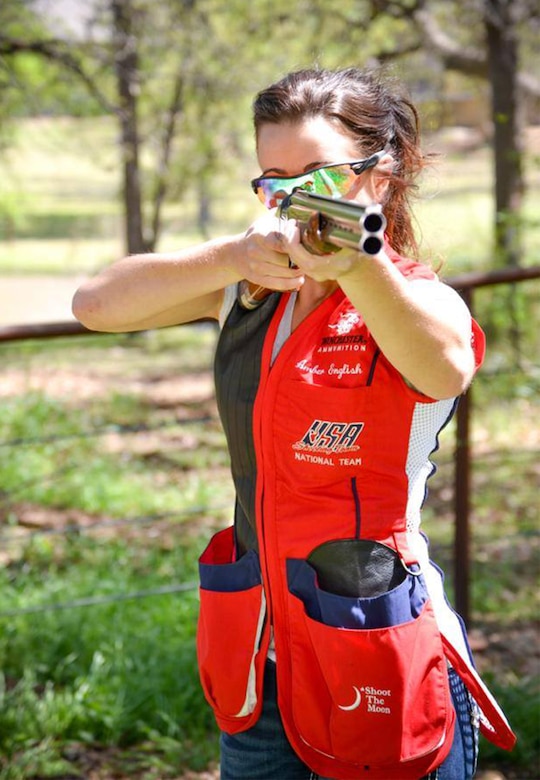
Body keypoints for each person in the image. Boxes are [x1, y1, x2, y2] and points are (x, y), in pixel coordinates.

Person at [72, 67, 515, 780]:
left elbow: (443, 366)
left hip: (377, 652)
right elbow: (96, 305)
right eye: (274, 179)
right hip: (260, 666)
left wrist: (357, 264)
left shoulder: (416, 299)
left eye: (317, 176)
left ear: (381, 176)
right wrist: (231, 257)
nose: (295, 199)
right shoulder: (250, 285)